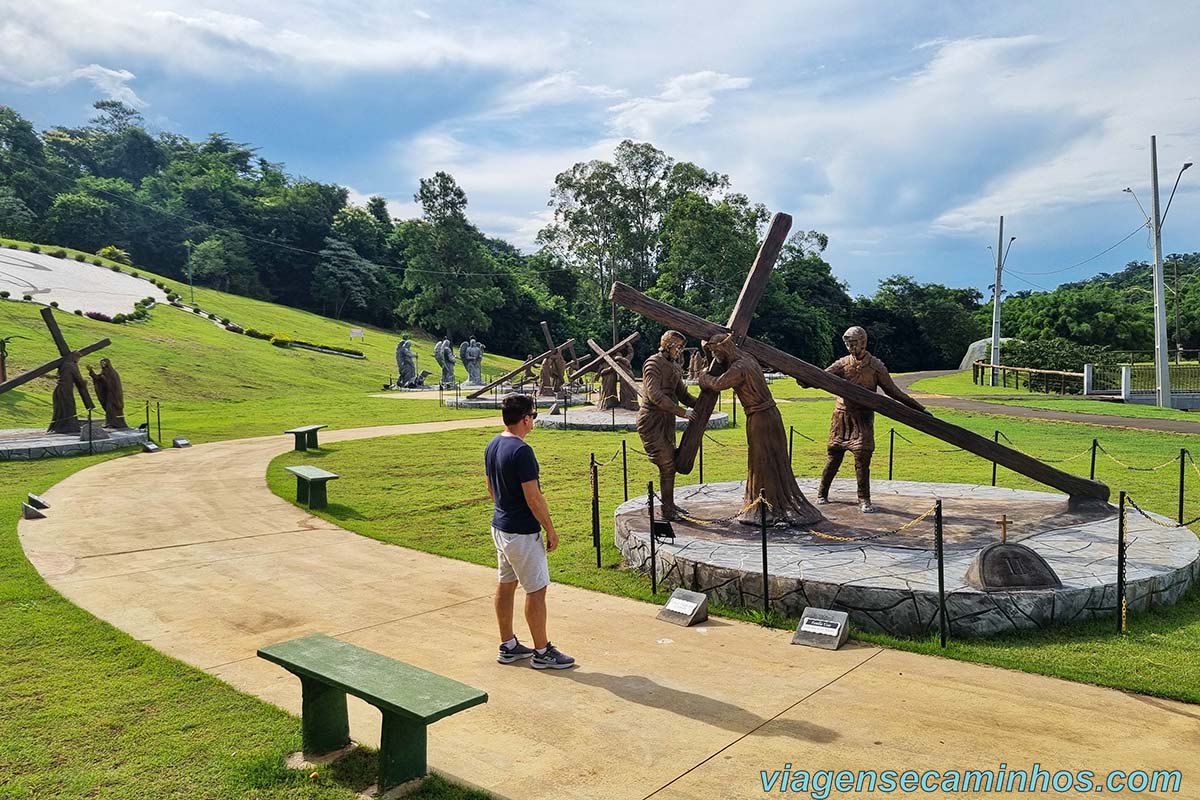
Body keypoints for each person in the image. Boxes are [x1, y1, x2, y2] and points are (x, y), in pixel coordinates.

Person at [484, 393, 575, 670]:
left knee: (506, 583)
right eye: (533, 416)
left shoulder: (493, 444)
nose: (533, 420)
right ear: (525, 419)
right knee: (536, 589)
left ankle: (508, 644)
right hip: (522, 532)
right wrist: (550, 529)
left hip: (500, 526)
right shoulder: (522, 451)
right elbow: (533, 497)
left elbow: (490, 488)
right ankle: (542, 651)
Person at [699, 333, 822, 526]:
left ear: (724, 348)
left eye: (715, 351)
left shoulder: (739, 368)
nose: (715, 355)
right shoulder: (747, 358)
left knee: (762, 461)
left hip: (760, 419)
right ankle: (770, 501)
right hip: (769, 415)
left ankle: (767, 507)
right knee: (768, 460)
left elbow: (718, 384)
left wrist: (703, 377)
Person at [819, 326, 931, 512]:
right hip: (841, 416)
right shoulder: (843, 363)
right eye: (847, 344)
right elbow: (822, 377)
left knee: (862, 458)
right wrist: (804, 379)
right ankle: (822, 493)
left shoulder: (875, 366)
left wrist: (920, 409)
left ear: (864, 343)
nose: (850, 348)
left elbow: (894, 392)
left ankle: (864, 499)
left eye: (854, 344)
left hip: (863, 418)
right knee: (834, 457)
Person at [636, 330, 696, 520]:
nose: (680, 351)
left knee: (669, 464)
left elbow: (683, 394)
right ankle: (667, 509)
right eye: (678, 347)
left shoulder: (674, 366)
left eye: (682, 348)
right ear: (668, 345)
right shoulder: (653, 364)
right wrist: (683, 413)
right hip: (652, 421)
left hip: (667, 420)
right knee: (667, 463)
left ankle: (669, 505)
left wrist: (702, 403)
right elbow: (655, 396)